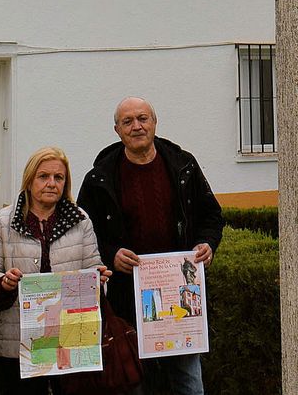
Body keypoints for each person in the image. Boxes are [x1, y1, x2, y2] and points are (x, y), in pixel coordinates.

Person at [76, 97, 224, 395]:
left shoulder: (184, 165)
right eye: (128, 121)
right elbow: (84, 232)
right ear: (116, 129)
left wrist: (206, 243)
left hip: (180, 292)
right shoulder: (99, 177)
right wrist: (111, 253)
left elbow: (212, 215)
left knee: (188, 380)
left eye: (143, 118)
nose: (137, 126)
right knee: (134, 381)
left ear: (155, 123)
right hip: (126, 295)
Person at [0, 146, 112, 392]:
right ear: (29, 180)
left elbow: (92, 265)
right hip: (14, 343)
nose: (51, 183)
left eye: (58, 178)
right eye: (43, 176)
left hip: (68, 343)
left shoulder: (81, 220)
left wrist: (98, 279)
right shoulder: (2, 222)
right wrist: (2, 283)